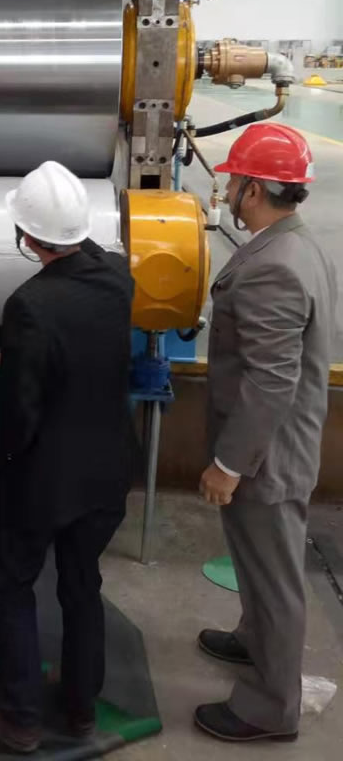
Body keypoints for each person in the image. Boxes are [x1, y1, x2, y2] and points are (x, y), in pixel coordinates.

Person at [0, 161, 134, 754]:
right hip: (107, 471)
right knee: (82, 584)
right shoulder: (119, 277)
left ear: (26, 236)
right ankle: (81, 707)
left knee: (13, 585)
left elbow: (21, 410)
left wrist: (2, 459)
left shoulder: (30, 305)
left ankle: (19, 716)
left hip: (44, 479)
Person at [195, 122, 336, 745]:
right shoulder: (297, 244)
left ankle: (269, 708)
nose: (226, 191)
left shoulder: (273, 268)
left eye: (232, 182)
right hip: (279, 445)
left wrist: (228, 465)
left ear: (253, 190)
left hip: (265, 456)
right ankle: (254, 639)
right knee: (258, 561)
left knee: (276, 579)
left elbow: (271, 381)